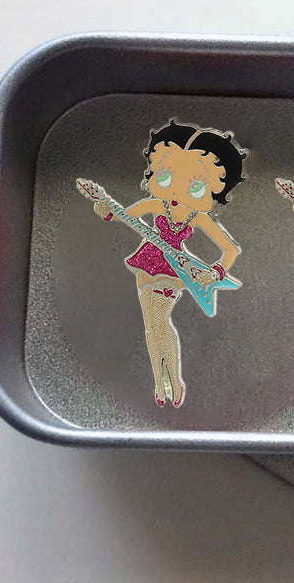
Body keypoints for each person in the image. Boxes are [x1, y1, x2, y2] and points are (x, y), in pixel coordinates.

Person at [95, 119, 246, 408]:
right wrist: (105, 208)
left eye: (196, 185)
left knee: (160, 322)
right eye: (166, 177)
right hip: (146, 262)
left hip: (173, 270)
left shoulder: (198, 217)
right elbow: (122, 216)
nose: (177, 189)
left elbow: (230, 250)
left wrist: (215, 272)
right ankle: (160, 383)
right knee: (151, 327)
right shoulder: (157, 205)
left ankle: (174, 382)